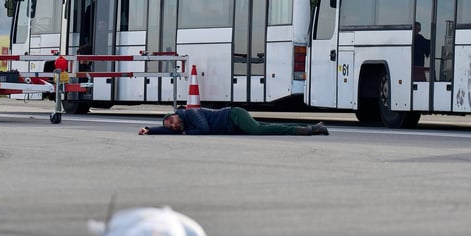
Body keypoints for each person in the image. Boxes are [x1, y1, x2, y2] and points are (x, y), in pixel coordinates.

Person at [139, 106, 329, 136]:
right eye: (170, 126)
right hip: (233, 125)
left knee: (259, 131)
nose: (173, 125)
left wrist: (185, 133)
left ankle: (310, 130)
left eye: (171, 120)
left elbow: (204, 129)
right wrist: (150, 130)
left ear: (176, 115)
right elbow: (169, 131)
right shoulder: (180, 124)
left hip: (234, 115)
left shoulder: (191, 113)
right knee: (268, 128)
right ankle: (313, 128)